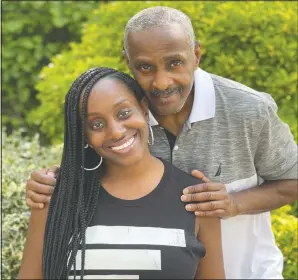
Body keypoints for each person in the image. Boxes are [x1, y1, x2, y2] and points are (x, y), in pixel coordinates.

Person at [25, 6, 297, 279]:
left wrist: (233, 203)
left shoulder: (250, 110)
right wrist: (51, 181)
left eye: (174, 63)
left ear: (196, 55)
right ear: (128, 63)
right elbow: (88, 159)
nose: (161, 82)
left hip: (248, 272)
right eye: (145, 67)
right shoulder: (126, 117)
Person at [19, 67, 225, 280]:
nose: (116, 131)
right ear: (85, 137)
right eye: (96, 124)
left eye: (124, 113)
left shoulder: (197, 198)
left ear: (144, 110)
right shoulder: (56, 197)